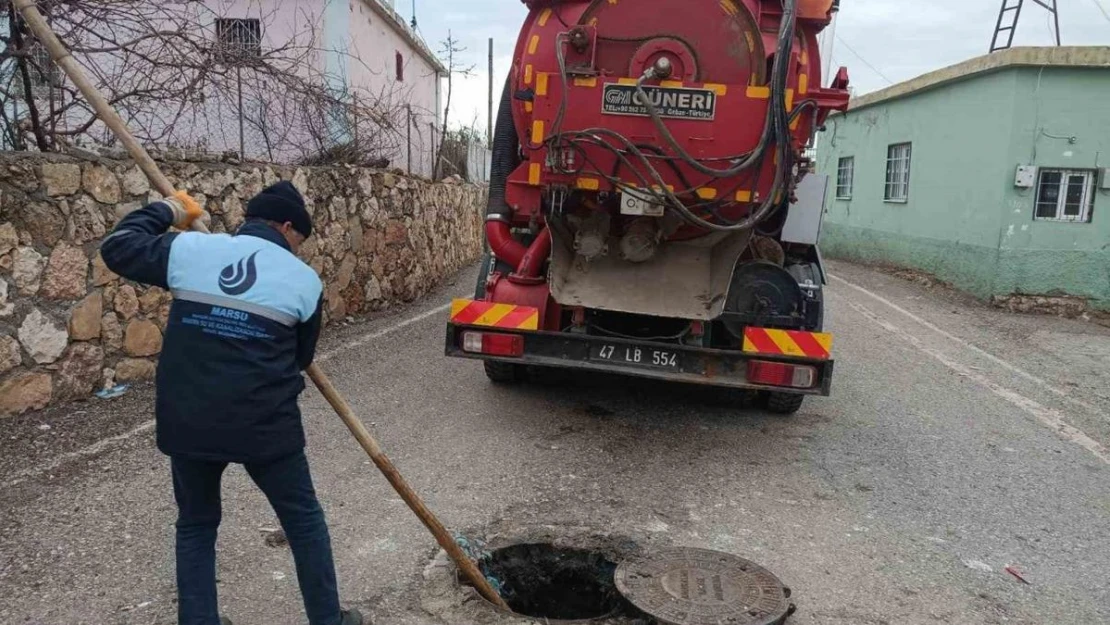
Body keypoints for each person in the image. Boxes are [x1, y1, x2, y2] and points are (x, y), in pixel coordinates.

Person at [101, 182, 363, 625]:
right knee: (302, 521)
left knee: (197, 524)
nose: (298, 246)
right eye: (299, 236)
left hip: (190, 422)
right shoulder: (304, 281)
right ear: (285, 226)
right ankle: (328, 620)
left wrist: (168, 209)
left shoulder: (192, 250)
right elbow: (300, 358)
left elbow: (118, 247)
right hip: (266, 426)